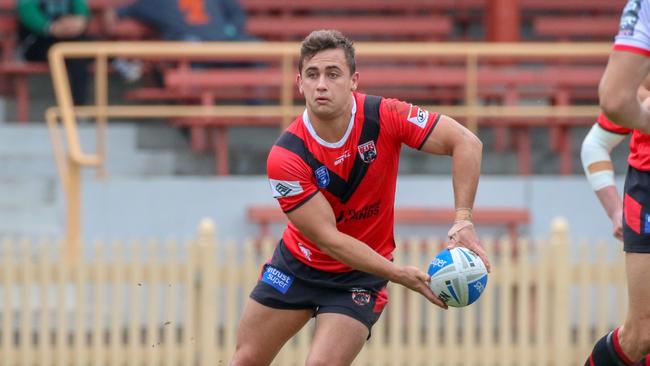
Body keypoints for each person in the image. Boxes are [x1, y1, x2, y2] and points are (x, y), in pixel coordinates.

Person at [230, 29, 491, 366]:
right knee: (245, 361)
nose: (321, 84)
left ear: (353, 80)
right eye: (312, 74)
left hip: (359, 276)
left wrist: (463, 219)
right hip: (296, 267)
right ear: (299, 83)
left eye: (332, 73)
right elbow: (329, 240)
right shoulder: (285, 156)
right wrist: (399, 275)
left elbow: (467, 143)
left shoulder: (385, 116)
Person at [584, 0, 650, 364]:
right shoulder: (639, 93)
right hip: (647, 186)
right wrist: (614, 211)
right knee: (642, 335)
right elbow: (595, 142)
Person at [16, 0, 91, 105]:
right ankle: (76, 109)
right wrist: (52, 27)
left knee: (91, 49)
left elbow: (81, 11)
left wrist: (78, 23)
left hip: (70, 40)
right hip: (38, 43)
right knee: (73, 55)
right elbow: (27, 12)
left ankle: (77, 109)